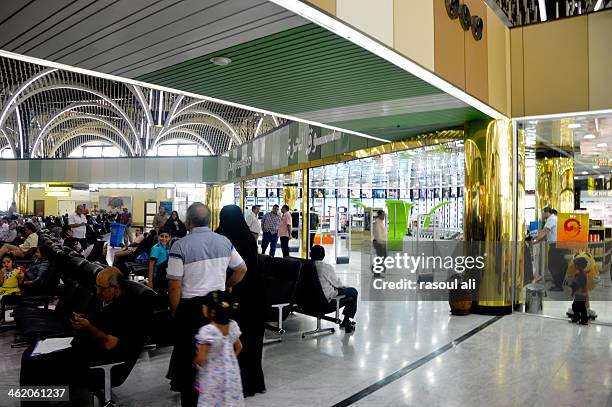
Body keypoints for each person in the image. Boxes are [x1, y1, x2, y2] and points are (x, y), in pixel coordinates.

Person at [20, 267, 146, 402]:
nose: (98, 292)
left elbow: (110, 343)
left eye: (102, 288)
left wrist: (88, 326)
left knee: (35, 362)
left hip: (97, 361)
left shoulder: (127, 312)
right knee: (31, 353)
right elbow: (102, 321)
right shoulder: (114, 304)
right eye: (97, 287)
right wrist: (84, 319)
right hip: (84, 349)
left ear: (116, 287)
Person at [166, 202, 247, 407]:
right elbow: (241, 269)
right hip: (217, 306)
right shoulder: (224, 241)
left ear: (189, 222)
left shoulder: (180, 245)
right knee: (218, 355)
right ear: (209, 220)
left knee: (190, 361)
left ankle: (193, 399)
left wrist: (176, 312)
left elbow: (174, 286)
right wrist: (227, 286)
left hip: (191, 309)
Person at [216, 205, 266, 397]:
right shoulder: (248, 237)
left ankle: (229, 382)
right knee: (251, 340)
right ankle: (251, 382)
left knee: (229, 339)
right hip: (253, 295)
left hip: (230, 295)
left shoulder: (219, 237)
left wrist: (228, 284)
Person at [193, 291, 244, 407]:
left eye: (204, 307)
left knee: (212, 401)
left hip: (212, 377)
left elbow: (201, 358)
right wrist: (228, 360)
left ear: (212, 312)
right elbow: (239, 347)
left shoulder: (207, 331)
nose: (202, 308)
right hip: (232, 375)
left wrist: (193, 362)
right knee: (229, 400)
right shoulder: (233, 326)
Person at [310, 245, 357, 333]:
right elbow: (338, 284)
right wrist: (346, 286)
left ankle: (346, 321)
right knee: (353, 292)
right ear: (323, 255)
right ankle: (346, 321)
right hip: (326, 302)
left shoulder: (305, 266)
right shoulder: (325, 267)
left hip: (310, 301)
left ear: (310, 255)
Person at [536, 207, 564, 291]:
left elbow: (544, 231)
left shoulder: (551, 219)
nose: (543, 215)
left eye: (543, 213)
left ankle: (559, 286)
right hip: (560, 244)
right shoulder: (556, 218)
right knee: (558, 265)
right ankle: (558, 283)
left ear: (547, 212)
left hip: (555, 246)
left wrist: (535, 239)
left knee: (552, 265)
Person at [570, 257, 589, 325]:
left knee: (580, 307)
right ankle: (577, 318)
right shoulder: (580, 273)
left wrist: (573, 285)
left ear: (580, 266)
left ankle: (583, 319)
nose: (575, 266)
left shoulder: (581, 274)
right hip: (580, 293)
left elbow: (579, 284)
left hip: (581, 293)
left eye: (576, 265)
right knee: (576, 306)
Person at [372, 210, 387, 276]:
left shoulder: (380, 222)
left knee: (382, 257)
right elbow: (378, 234)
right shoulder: (377, 223)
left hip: (381, 242)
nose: (384, 216)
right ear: (379, 215)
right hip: (379, 242)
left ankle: (375, 268)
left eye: (384, 215)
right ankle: (376, 271)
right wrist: (381, 243)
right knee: (381, 257)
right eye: (382, 215)